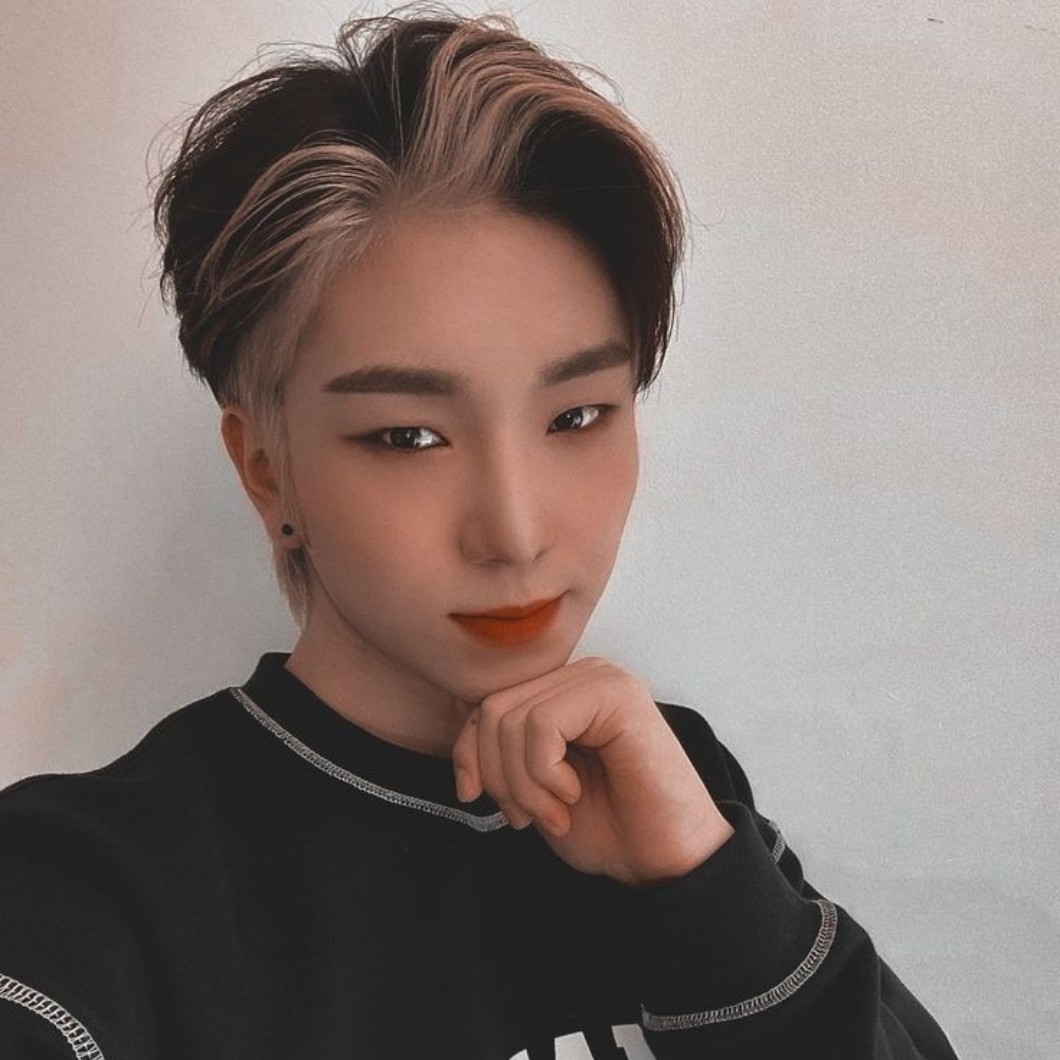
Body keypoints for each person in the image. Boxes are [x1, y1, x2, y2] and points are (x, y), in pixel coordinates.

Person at [0, 6, 960, 1058]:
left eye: (577, 417)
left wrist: (704, 889)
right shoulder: (86, 889)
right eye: (409, 436)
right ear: (265, 468)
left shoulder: (678, 783)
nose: (515, 530)